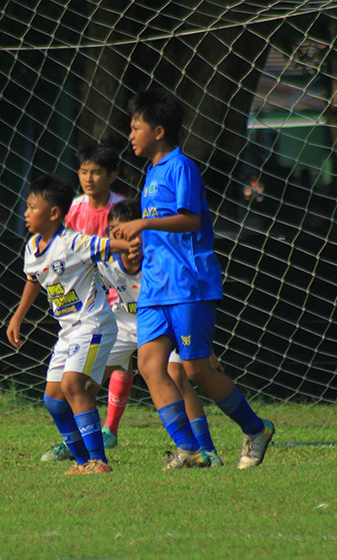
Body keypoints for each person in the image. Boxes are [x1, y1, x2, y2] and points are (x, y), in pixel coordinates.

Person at [119, 87, 274, 471]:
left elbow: (190, 220)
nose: (130, 135)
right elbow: (160, 229)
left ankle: (256, 429)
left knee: (195, 369)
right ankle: (189, 448)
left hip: (188, 284)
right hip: (155, 287)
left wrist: (143, 224)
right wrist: (138, 242)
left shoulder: (181, 167)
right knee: (149, 365)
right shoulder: (151, 173)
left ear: (158, 131)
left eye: (136, 128)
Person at [6, 174, 132, 475]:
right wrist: (18, 316)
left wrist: (133, 238)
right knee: (53, 400)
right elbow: (34, 279)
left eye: (32, 207)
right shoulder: (32, 246)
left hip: (93, 323)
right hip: (68, 331)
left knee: (73, 385)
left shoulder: (74, 242)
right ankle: (82, 462)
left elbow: (112, 245)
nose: (26, 213)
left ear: (53, 213)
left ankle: (99, 461)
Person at [98, 199, 227, 467]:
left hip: (165, 326)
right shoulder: (104, 264)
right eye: (118, 233)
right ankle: (82, 448)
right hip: (126, 324)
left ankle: (206, 449)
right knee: (85, 379)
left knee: (177, 376)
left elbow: (186, 309)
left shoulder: (160, 264)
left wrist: (207, 349)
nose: (127, 241)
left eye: (132, 233)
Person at [41, 141, 132, 461]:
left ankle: (106, 432)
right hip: (89, 302)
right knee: (82, 383)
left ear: (112, 176)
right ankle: (84, 441)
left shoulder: (124, 209)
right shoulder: (73, 210)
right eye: (83, 172)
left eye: (96, 172)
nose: (88, 178)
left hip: (122, 299)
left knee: (154, 369)